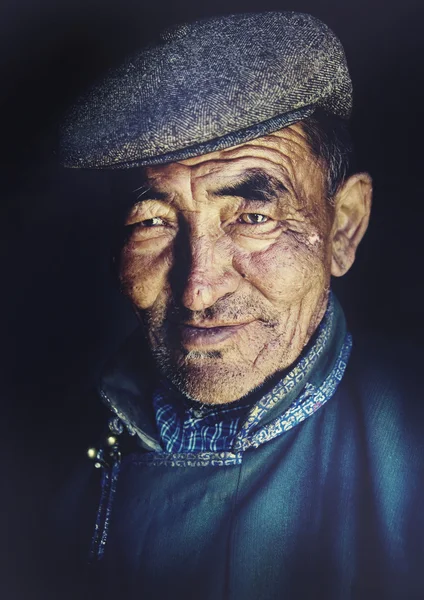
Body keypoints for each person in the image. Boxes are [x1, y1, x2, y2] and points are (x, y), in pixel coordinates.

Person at [54, 11, 424, 600]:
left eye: (254, 218)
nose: (198, 290)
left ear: (343, 229)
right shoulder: (48, 439)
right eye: (154, 220)